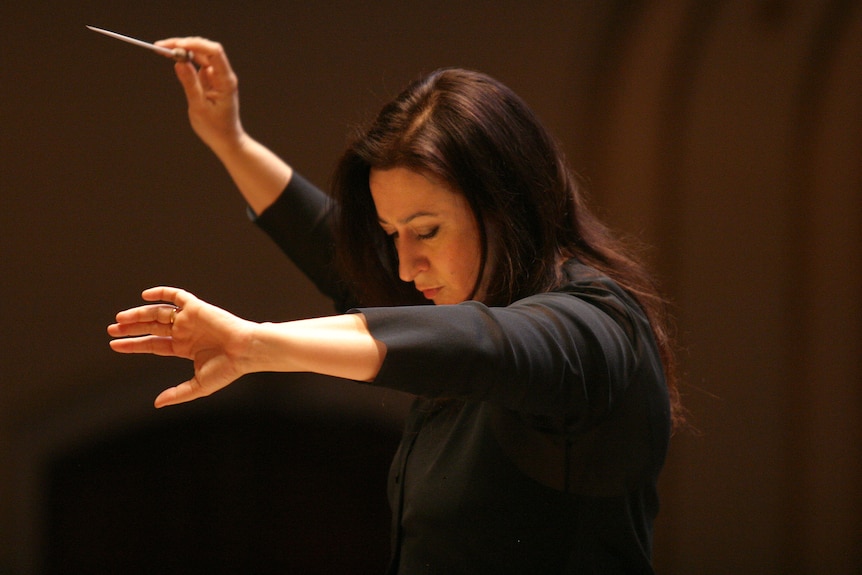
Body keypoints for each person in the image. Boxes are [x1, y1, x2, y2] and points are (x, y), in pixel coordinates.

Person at [108, 37, 684, 574]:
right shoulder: (468, 291)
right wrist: (230, 140)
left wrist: (254, 345)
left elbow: (480, 345)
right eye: (391, 234)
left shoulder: (598, 326)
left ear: (505, 207)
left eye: (426, 231)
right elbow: (337, 251)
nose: (406, 267)